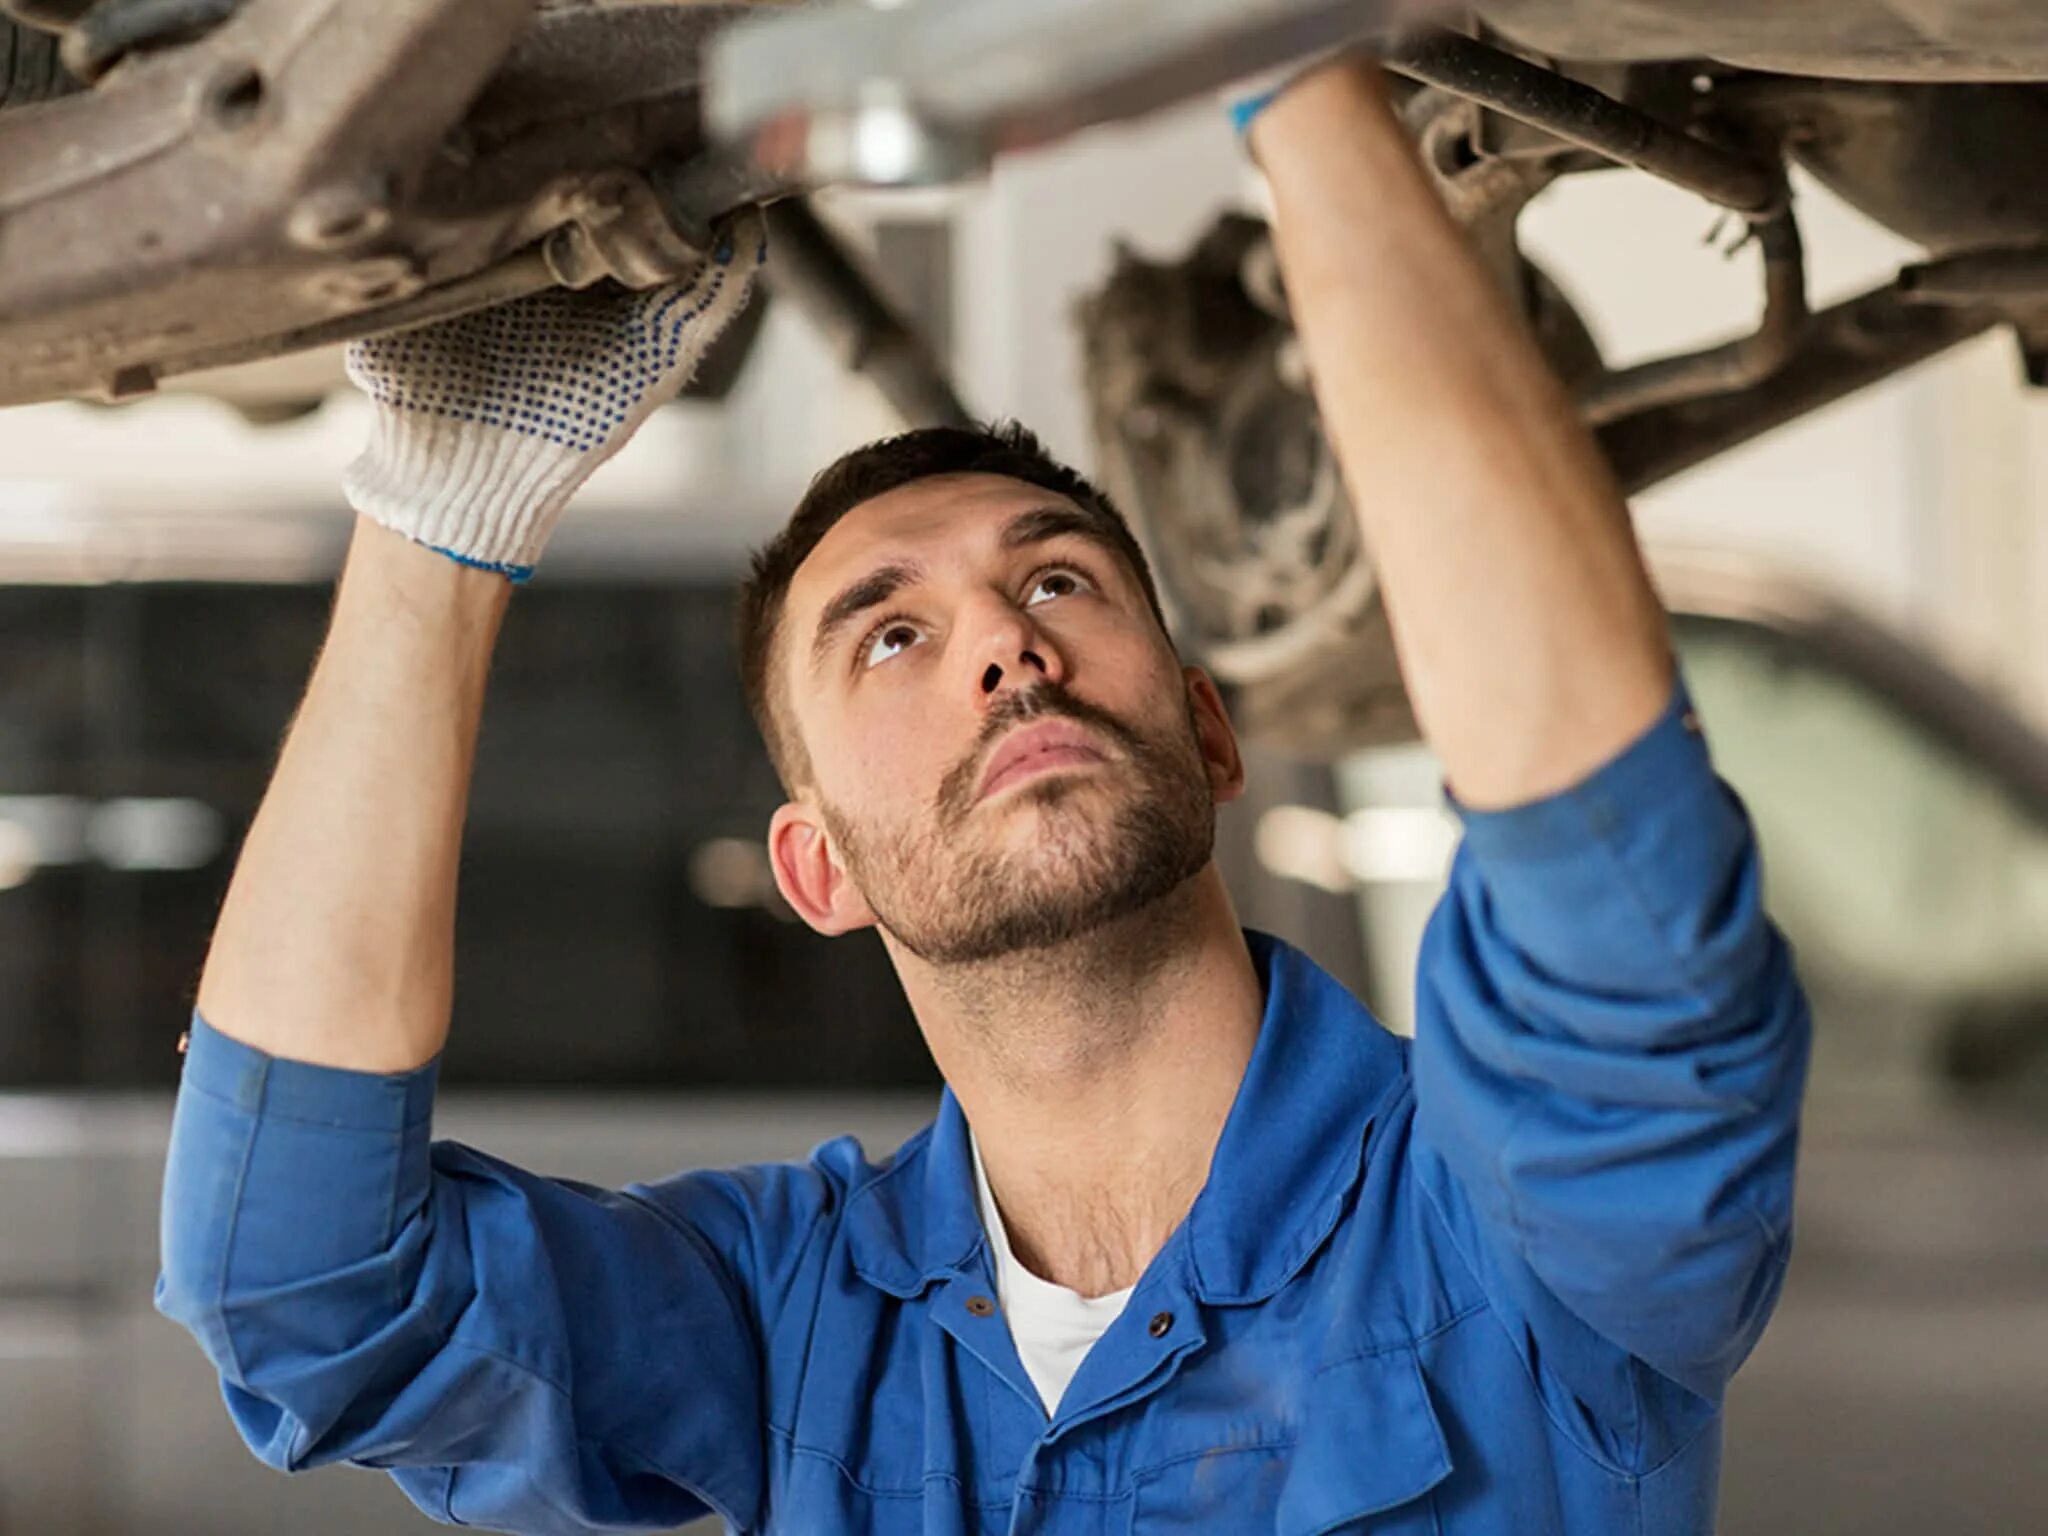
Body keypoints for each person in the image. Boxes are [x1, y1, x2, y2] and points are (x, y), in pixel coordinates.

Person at [157, 53, 1810, 1536]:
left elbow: (1618, 894)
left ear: (1211, 735)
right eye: (891, 637)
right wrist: (437, 528)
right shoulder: (788, 1322)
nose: (1005, 650)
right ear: (819, 872)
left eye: (1062, 582)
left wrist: (1297, 72)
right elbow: (310, 1298)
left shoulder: (1491, 1226)